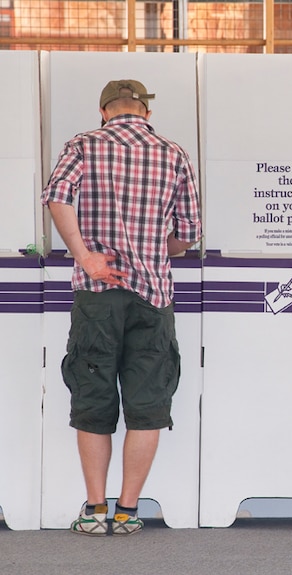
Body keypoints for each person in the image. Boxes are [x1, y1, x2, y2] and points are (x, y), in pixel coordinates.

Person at [41, 79, 202, 536]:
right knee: (147, 404)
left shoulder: (84, 144)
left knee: (93, 402)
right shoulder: (173, 153)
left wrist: (84, 255)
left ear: (103, 110)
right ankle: (129, 511)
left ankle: (94, 510)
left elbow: (57, 197)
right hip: (153, 297)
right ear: (145, 112)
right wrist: (158, 248)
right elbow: (188, 233)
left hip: (97, 295)